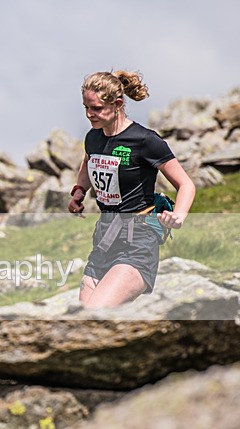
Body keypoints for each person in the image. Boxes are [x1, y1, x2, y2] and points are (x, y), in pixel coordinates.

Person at [68, 70, 196, 308]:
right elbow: (88, 161)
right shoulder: (93, 137)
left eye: (95, 108)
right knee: (84, 322)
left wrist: (178, 216)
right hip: (104, 239)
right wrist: (79, 191)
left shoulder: (145, 140)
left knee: (95, 314)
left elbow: (186, 184)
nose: (89, 114)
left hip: (138, 242)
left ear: (117, 104)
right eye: (85, 107)